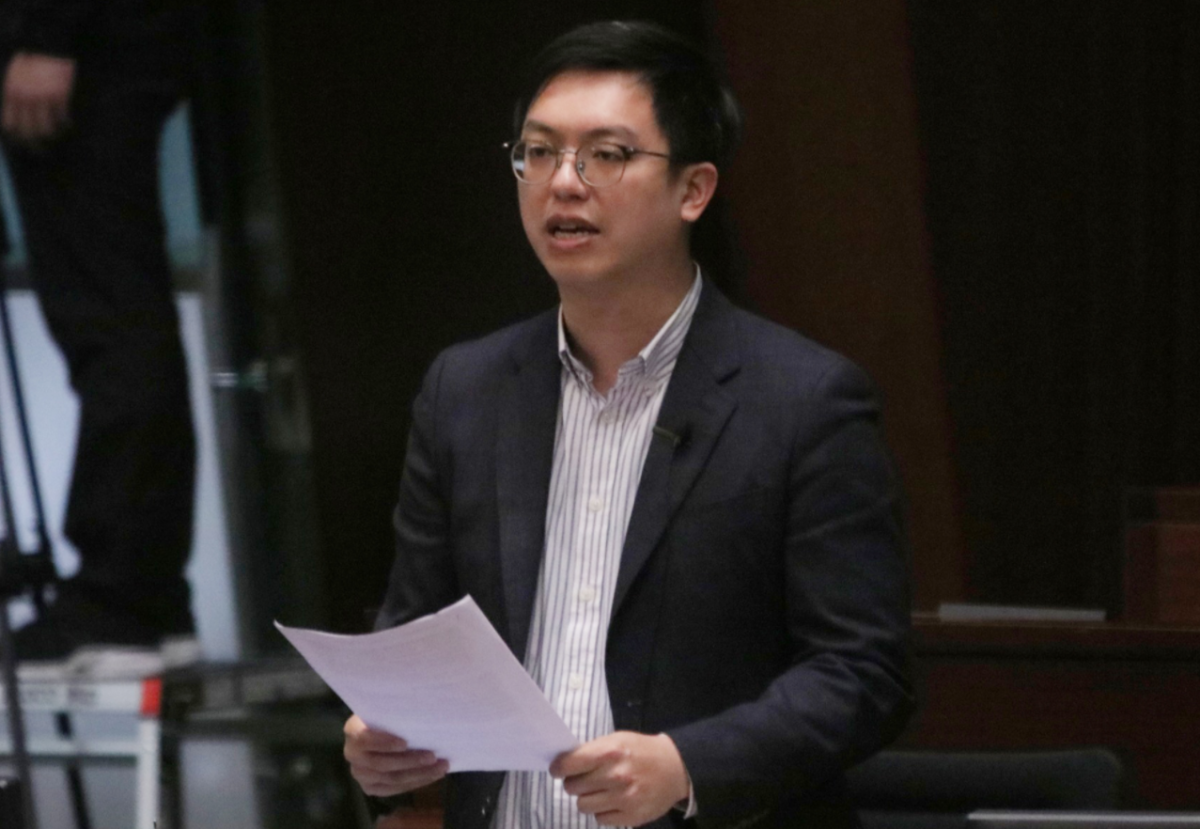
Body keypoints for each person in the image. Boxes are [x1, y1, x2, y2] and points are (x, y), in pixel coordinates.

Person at [344, 20, 913, 829]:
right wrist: (384, 741)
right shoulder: (464, 391)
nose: (562, 183)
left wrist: (688, 765)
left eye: (605, 154)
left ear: (693, 190)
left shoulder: (805, 401)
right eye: (538, 152)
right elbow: (412, 638)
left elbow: (864, 671)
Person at [1, 0, 198, 666]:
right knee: (118, 316)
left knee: (111, 323)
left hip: (88, 51)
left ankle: (123, 600)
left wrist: (49, 34)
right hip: (103, 47)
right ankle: (148, 597)